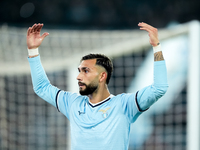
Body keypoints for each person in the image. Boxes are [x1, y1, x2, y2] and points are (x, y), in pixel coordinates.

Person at [27, 22, 168, 150]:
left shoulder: (125, 105)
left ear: (102, 76)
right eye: (79, 71)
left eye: (86, 71)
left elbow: (159, 88)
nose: (78, 76)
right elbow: (41, 87)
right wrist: (33, 51)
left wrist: (157, 47)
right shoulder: (73, 103)